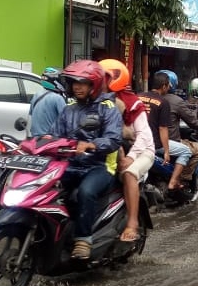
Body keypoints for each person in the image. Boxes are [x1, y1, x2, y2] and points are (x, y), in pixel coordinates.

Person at [51, 60, 123, 259]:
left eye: (82, 83)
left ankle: (84, 239)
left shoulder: (108, 108)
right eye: (74, 82)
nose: (77, 87)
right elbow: (55, 134)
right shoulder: (69, 108)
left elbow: (114, 139)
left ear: (94, 84)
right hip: (70, 164)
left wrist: (92, 144)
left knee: (86, 192)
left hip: (99, 167)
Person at [99, 59, 154, 243]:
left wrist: (130, 157)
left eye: (104, 77)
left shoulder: (132, 103)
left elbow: (144, 136)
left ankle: (132, 223)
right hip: (112, 151)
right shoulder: (94, 101)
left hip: (141, 151)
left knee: (129, 174)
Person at [154, 70, 198, 191]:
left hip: (148, 140)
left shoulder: (148, 97)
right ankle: (181, 179)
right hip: (166, 141)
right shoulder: (176, 101)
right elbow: (192, 121)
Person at [138, 72, 194, 194]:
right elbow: (163, 129)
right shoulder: (163, 102)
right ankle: (173, 181)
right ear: (163, 86)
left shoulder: (138, 97)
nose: (169, 88)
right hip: (155, 145)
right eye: (168, 85)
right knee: (186, 151)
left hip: (137, 142)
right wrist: (167, 152)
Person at [28, 67, 67, 137]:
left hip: (35, 139)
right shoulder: (58, 98)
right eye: (61, 79)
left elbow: (31, 114)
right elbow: (66, 121)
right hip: (50, 140)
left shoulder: (37, 94)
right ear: (55, 81)